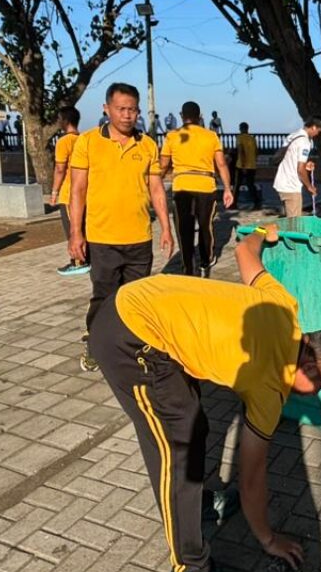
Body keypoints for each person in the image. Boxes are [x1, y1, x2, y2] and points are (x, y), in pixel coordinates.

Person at [89, 223, 321, 572]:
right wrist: (267, 538)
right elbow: (250, 475)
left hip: (146, 309)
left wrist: (263, 234)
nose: (319, 395)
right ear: (308, 364)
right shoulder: (271, 385)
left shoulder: (284, 307)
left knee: (194, 422)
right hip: (129, 338)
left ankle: (196, 507)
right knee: (175, 445)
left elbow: (245, 255)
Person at [69, 82, 173, 372]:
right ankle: (95, 346)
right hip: (102, 238)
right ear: (107, 109)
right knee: (104, 296)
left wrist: (165, 227)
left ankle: (130, 348)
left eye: (133, 110)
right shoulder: (88, 142)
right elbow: (77, 191)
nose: (128, 115)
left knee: (135, 298)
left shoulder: (148, 145)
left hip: (139, 237)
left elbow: (156, 189)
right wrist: (75, 234)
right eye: (121, 109)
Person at [160, 101, 234, 277]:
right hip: (206, 186)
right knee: (205, 226)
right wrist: (228, 189)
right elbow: (221, 164)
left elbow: (163, 165)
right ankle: (206, 259)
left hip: (182, 186)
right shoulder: (211, 137)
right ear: (200, 117)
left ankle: (188, 268)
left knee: (184, 230)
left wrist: (154, 185)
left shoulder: (172, 136)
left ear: (181, 116)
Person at [50, 106, 88, 276]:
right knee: (83, 226)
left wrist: (54, 192)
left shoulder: (63, 142)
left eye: (59, 119)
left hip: (69, 191)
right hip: (85, 190)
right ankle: (88, 256)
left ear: (64, 121)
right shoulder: (84, 140)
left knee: (73, 228)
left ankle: (78, 261)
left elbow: (60, 169)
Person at [272, 117, 321, 218]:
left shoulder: (293, 136)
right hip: (291, 186)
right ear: (313, 127)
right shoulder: (304, 142)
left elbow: (291, 158)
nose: (317, 134)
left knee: (288, 219)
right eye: (318, 131)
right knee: (294, 222)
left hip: (282, 182)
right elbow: (300, 170)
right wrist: (309, 186)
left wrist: (305, 164)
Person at [234, 122, 262, 208]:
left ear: (241, 129)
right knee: (251, 185)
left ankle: (233, 203)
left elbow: (241, 151)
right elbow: (257, 152)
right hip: (252, 165)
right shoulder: (252, 138)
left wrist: (243, 165)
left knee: (237, 185)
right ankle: (256, 202)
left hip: (241, 165)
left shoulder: (239, 138)